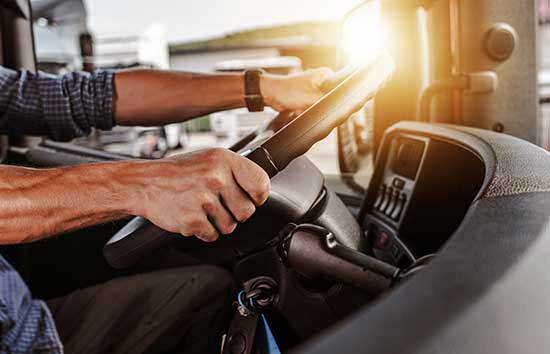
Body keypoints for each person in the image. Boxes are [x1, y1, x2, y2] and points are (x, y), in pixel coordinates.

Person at [0, 65, 332, 353]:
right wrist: (144, 184)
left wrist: (266, 88)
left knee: (208, 292)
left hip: (24, 322)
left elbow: (80, 96)